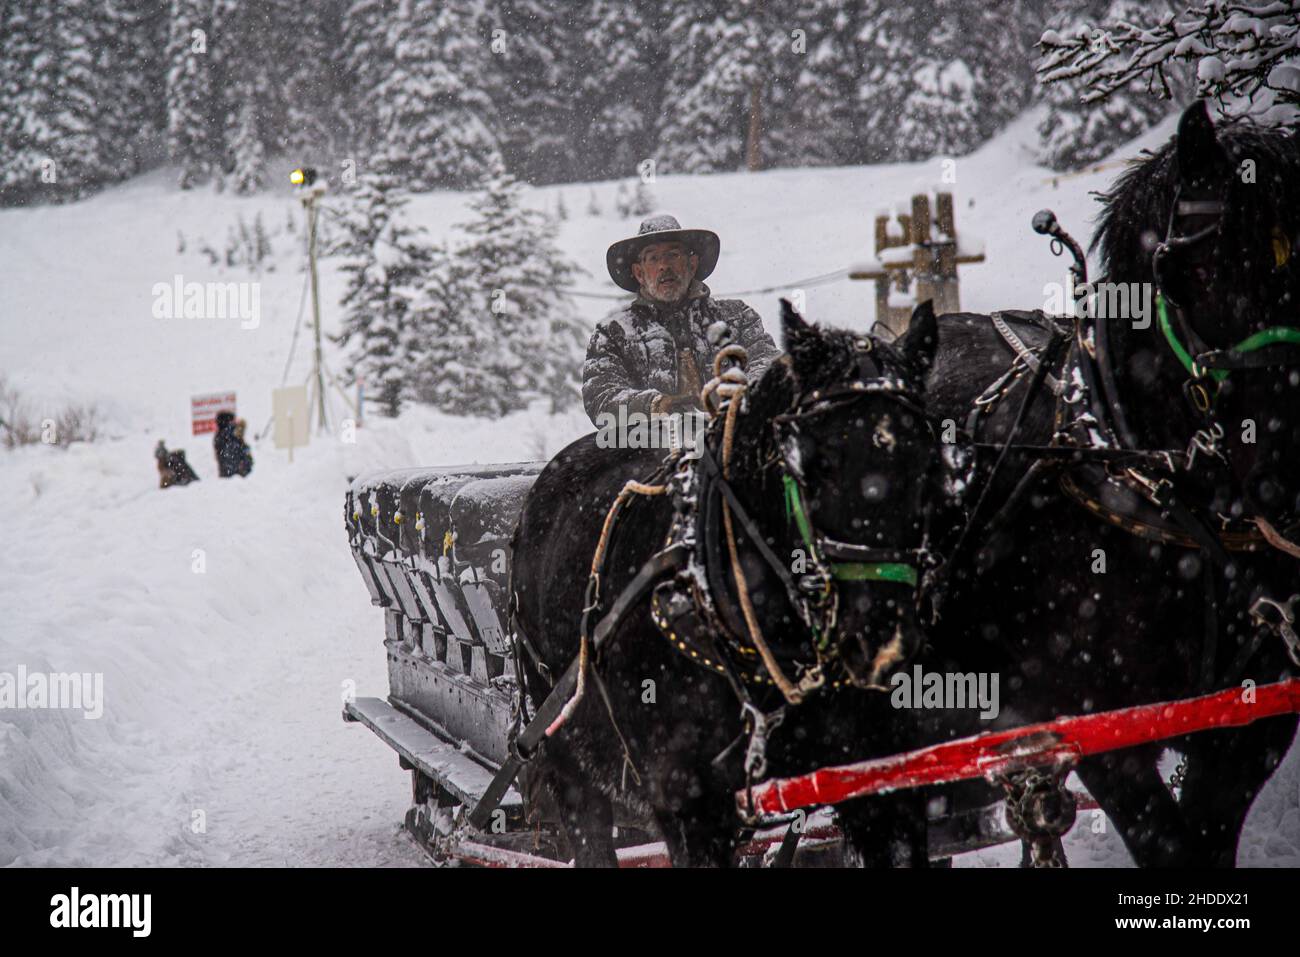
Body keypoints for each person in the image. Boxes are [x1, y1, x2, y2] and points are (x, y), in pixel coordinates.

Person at [583, 214, 779, 426]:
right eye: (653, 258)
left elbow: (769, 365)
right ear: (639, 273)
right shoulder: (614, 332)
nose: (664, 266)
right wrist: (655, 405)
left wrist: (738, 394)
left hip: (734, 442)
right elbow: (600, 397)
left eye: (673, 255)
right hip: (650, 449)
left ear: (692, 264)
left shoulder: (737, 317)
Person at [213, 411, 253, 477]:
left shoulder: (219, 436)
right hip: (236, 475)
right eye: (233, 421)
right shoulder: (230, 436)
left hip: (227, 474)